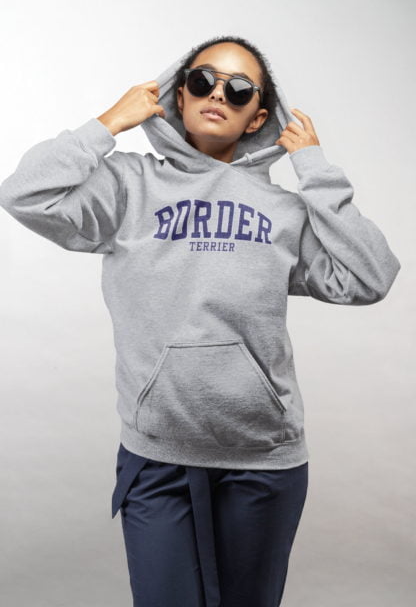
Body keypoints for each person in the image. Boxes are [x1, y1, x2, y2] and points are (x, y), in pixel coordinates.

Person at [0, 35, 401, 607]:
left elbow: (371, 276)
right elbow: (24, 193)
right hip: (157, 456)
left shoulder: (285, 211)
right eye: (202, 80)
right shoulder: (128, 187)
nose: (217, 94)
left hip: (263, 459)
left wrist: (314, 170)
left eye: (238, 90)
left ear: (257, 116)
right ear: (179, 94)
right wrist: (107, 124)